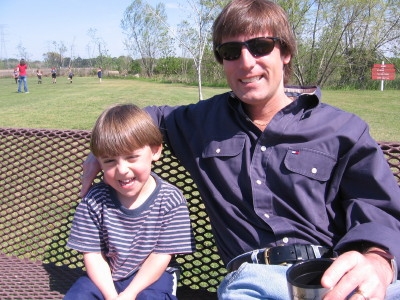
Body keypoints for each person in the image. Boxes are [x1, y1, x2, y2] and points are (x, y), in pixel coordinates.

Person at [81, 1, 400, 299]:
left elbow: (377, 205)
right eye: (231, 51)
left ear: (285, 52)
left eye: (261, 47)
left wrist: (377, 260)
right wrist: (111, 146)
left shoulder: (342, 129)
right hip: (254, 280)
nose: (247, 62)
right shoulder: (201, 123)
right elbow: (145, 118)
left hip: (335, 273)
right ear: (222, 61)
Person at [65, 104, 195, 300]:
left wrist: (130, 293)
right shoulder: (95, 199)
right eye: (109, 161)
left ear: (155, 151)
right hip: (106, 276)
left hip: (154, 276)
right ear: (98, 161)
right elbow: (92, 254)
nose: (122, 170)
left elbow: (161, 256)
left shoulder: (171, 200)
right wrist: (110, 295)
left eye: (132, 157)